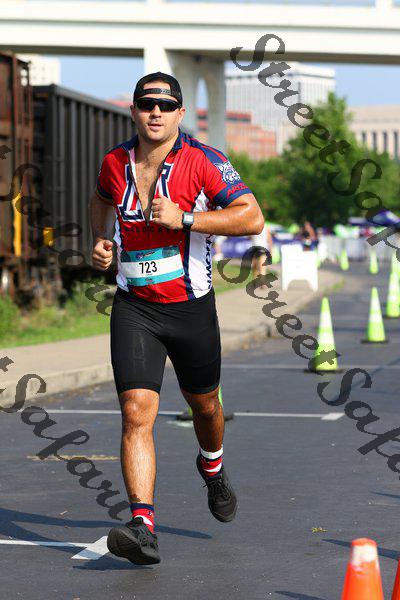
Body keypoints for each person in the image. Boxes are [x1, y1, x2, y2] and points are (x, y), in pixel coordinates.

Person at [89, 71, 264, 566]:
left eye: (166, 106)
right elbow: (101, 200)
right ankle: (142, 525)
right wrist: (100, 241)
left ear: (180, 113)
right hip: (134, 307)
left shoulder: (204, 160)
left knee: (205, 407)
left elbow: (251, 216)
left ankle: (212, 468)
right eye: (147, 104)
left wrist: (186, 218)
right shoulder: (114, 162)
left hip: (191, 310)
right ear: (134, 111)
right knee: (135, 411)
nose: (156, 112)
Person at [250, 222, 273, 288]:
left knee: (262, 266)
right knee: (254, 266)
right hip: (254, 249)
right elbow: (250, 237)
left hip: (262, 248)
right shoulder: (253, 227)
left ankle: (262, 283)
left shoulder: (266, 228)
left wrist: (271, 249)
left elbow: (269, 239)